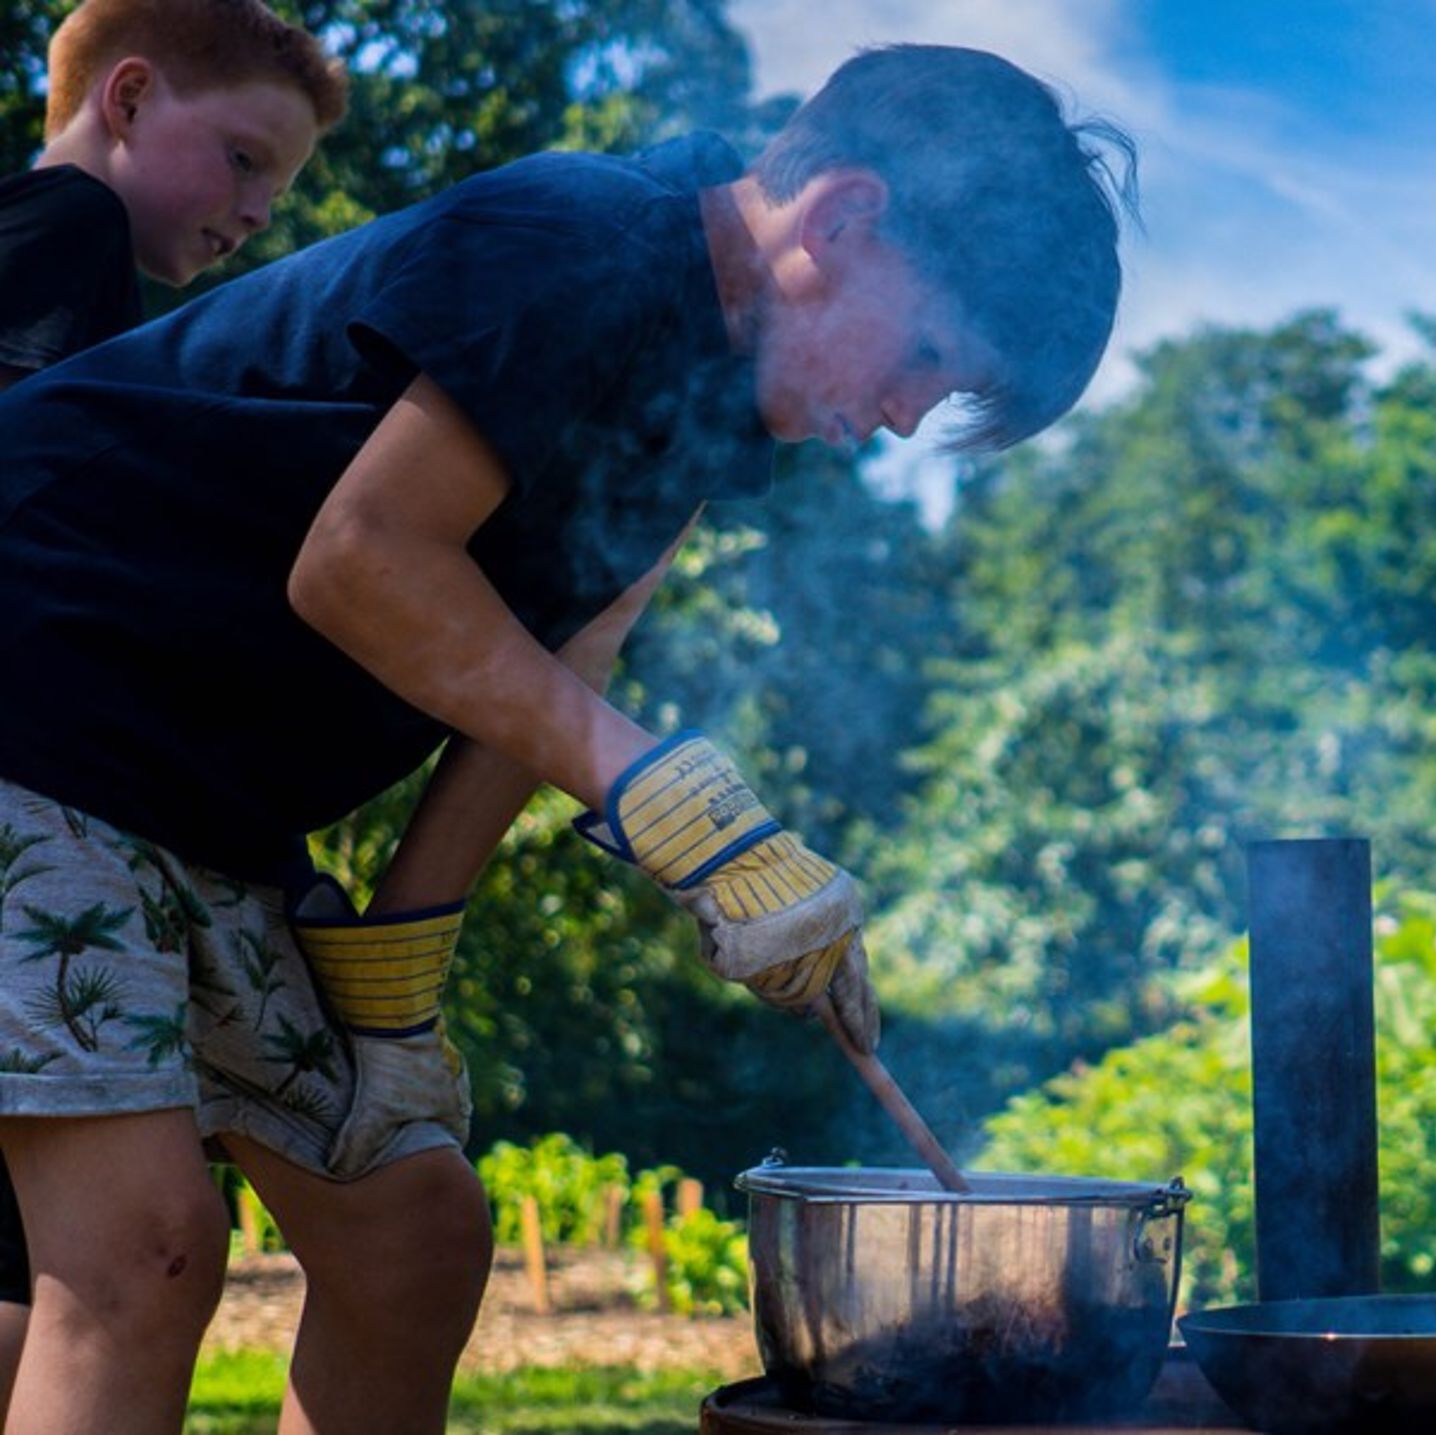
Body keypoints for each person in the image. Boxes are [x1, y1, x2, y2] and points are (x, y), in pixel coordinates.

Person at [0, 38, 1134, 1432]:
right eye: (924, 359)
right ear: (840, 217)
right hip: (32, 703)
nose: (903, 420)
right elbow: (360, 562)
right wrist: (692, 816)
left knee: (412, 1234)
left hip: (194, 800)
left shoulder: (714, 418)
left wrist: (395, 979)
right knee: (143, 1252)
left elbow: (554, 667)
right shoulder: (579, 240)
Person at [0, 0, 366, 1415]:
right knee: (112, 1260)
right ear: (132, 98)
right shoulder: (62, 235)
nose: (260, 212)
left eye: (280, 188)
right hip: (36, 786)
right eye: (246, 157)